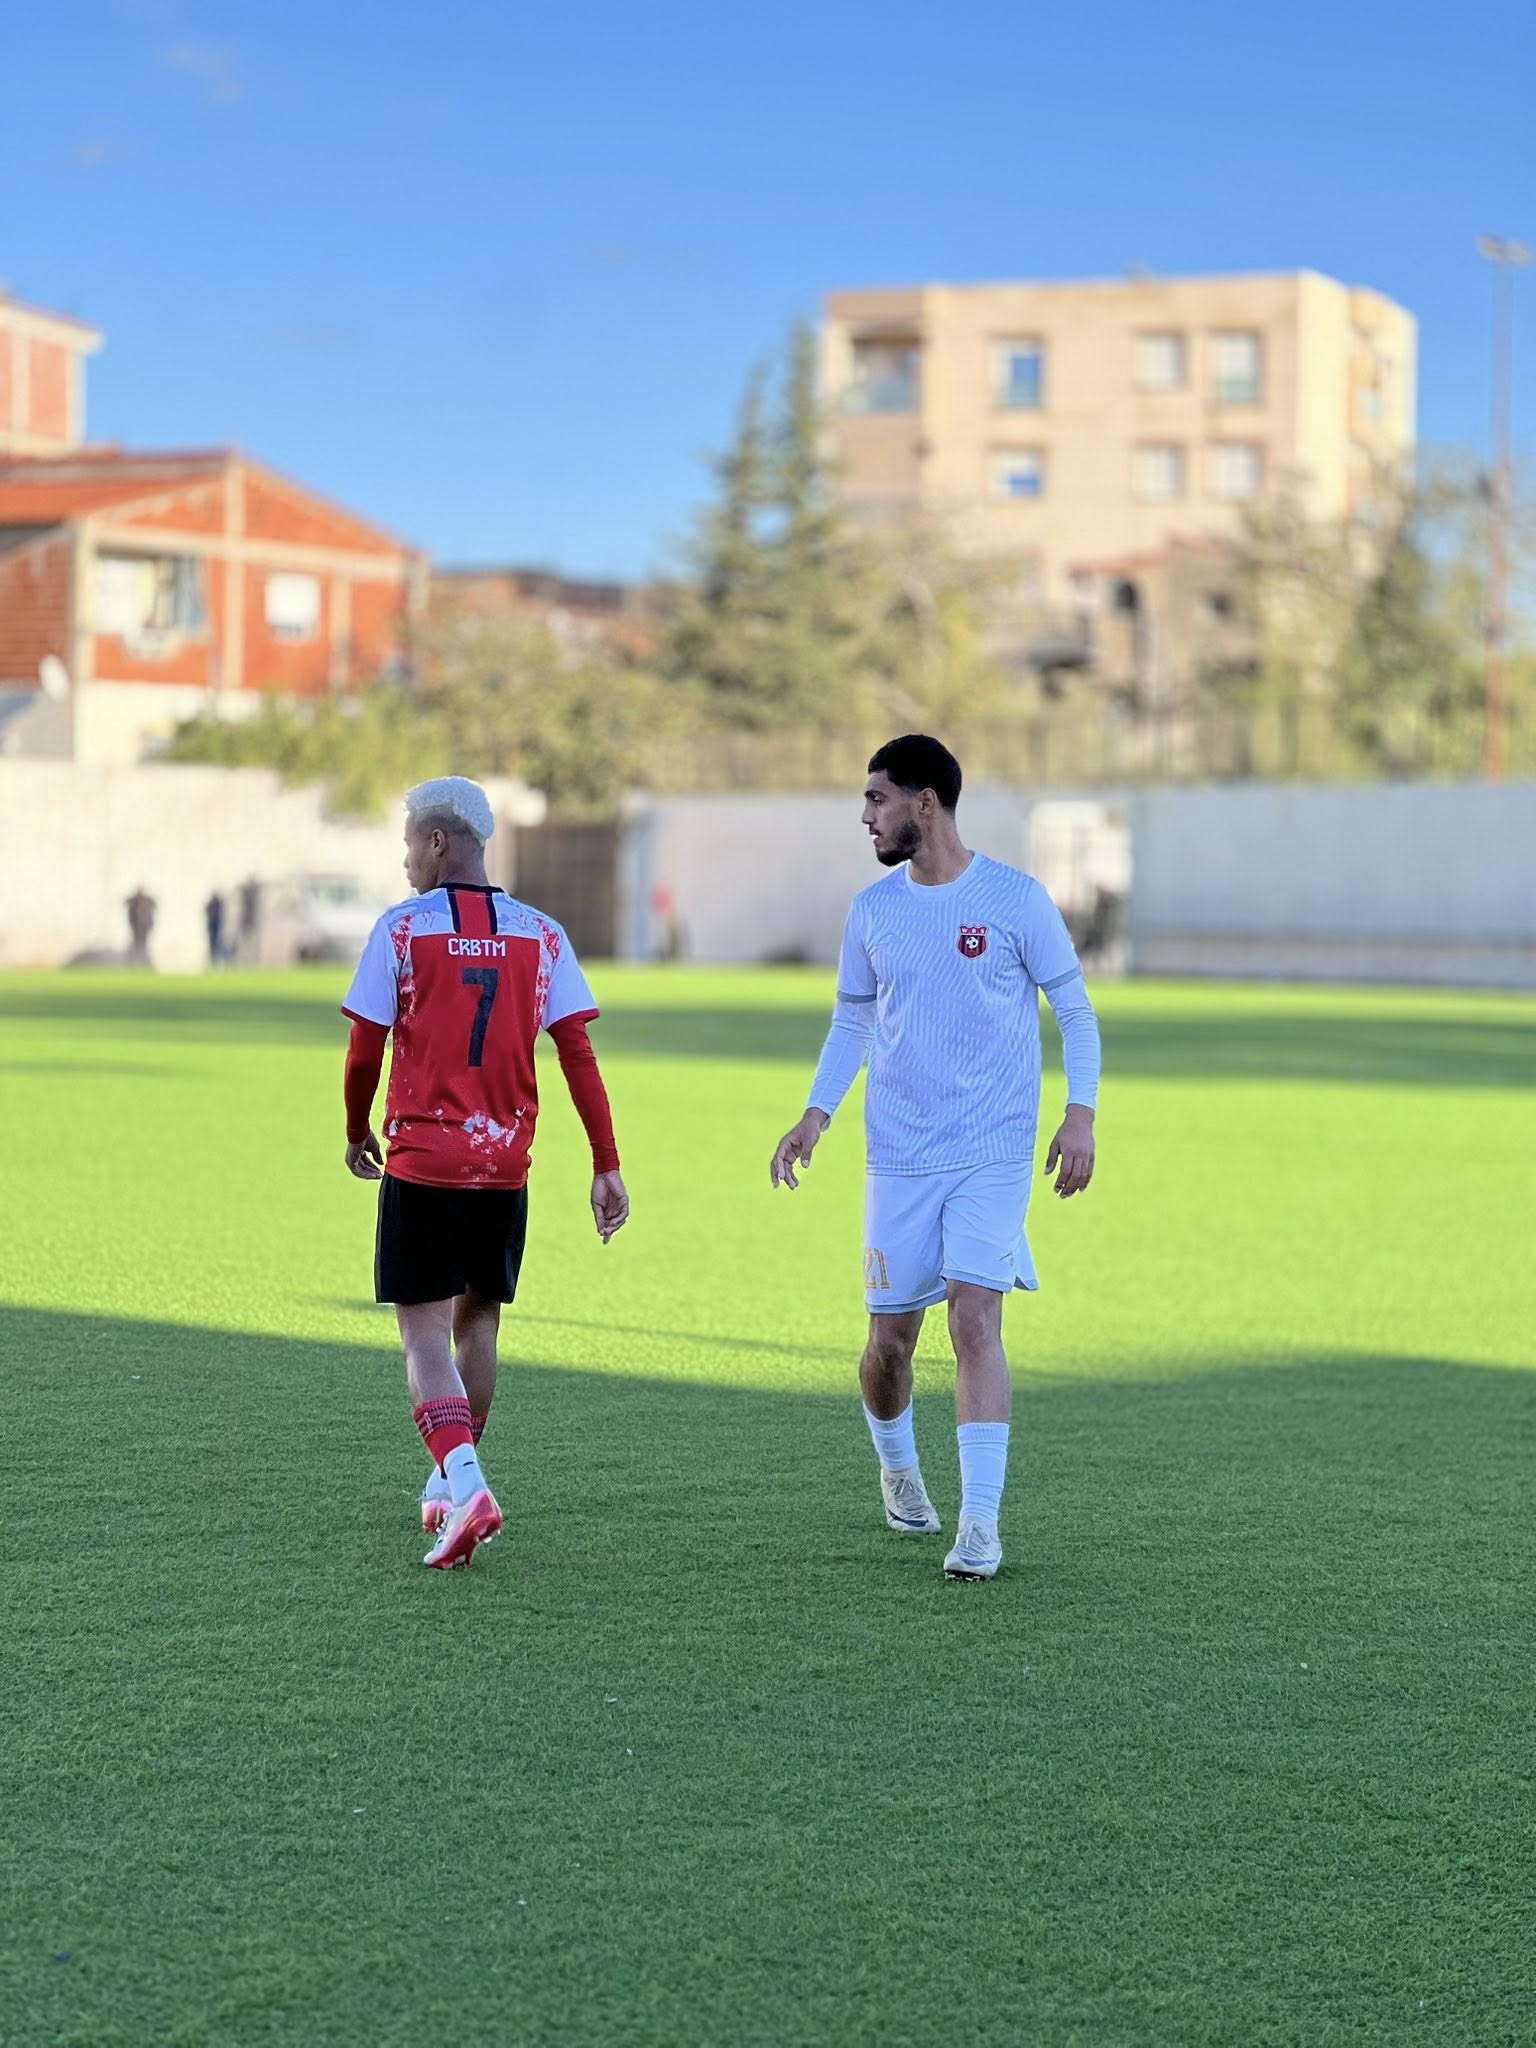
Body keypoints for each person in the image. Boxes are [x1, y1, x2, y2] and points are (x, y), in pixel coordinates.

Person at [769, 735, 1101, 1583]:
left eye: (876, 799)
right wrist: (815, 1116)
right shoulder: (872, 911)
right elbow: (852, 1020)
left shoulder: (1016, 900)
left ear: (925, 803)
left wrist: (1080, 1115)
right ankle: (899, 1472)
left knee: (974, 1319)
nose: (866, 817)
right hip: (899, 1157)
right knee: (889, 1345)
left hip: (993, 1151)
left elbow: (1074, 1009)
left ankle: (980, 1526)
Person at [342, 776, 629, 1570]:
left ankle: (468, 1486)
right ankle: (447, 1483)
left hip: (425, 1161)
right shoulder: (543, 933)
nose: (405, 858)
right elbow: (578, 1054)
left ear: (439, 842)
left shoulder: (402, 930)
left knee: (423, 1333)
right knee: (478, 1324)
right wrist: (606, 1163)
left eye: (410, 842)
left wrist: (356, 1128)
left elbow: (365, 1048)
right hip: (503, 1165)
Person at [125, 887, 157, 968]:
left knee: (142, 945)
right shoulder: (135, 900)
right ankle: (134, 963)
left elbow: (154, 904)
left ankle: (144, 963)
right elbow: (126, 902)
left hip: (145, 926)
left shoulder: (147, 900)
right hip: (136, 927)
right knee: (137, 945)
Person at [204, 891, 227, 968]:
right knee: (214, 945)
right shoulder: (214, 904)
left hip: (216, 927)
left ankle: (216, 961)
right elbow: (205, 909)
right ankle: (214, 961)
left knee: (216, 945)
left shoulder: (217, 904)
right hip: (213, 927)